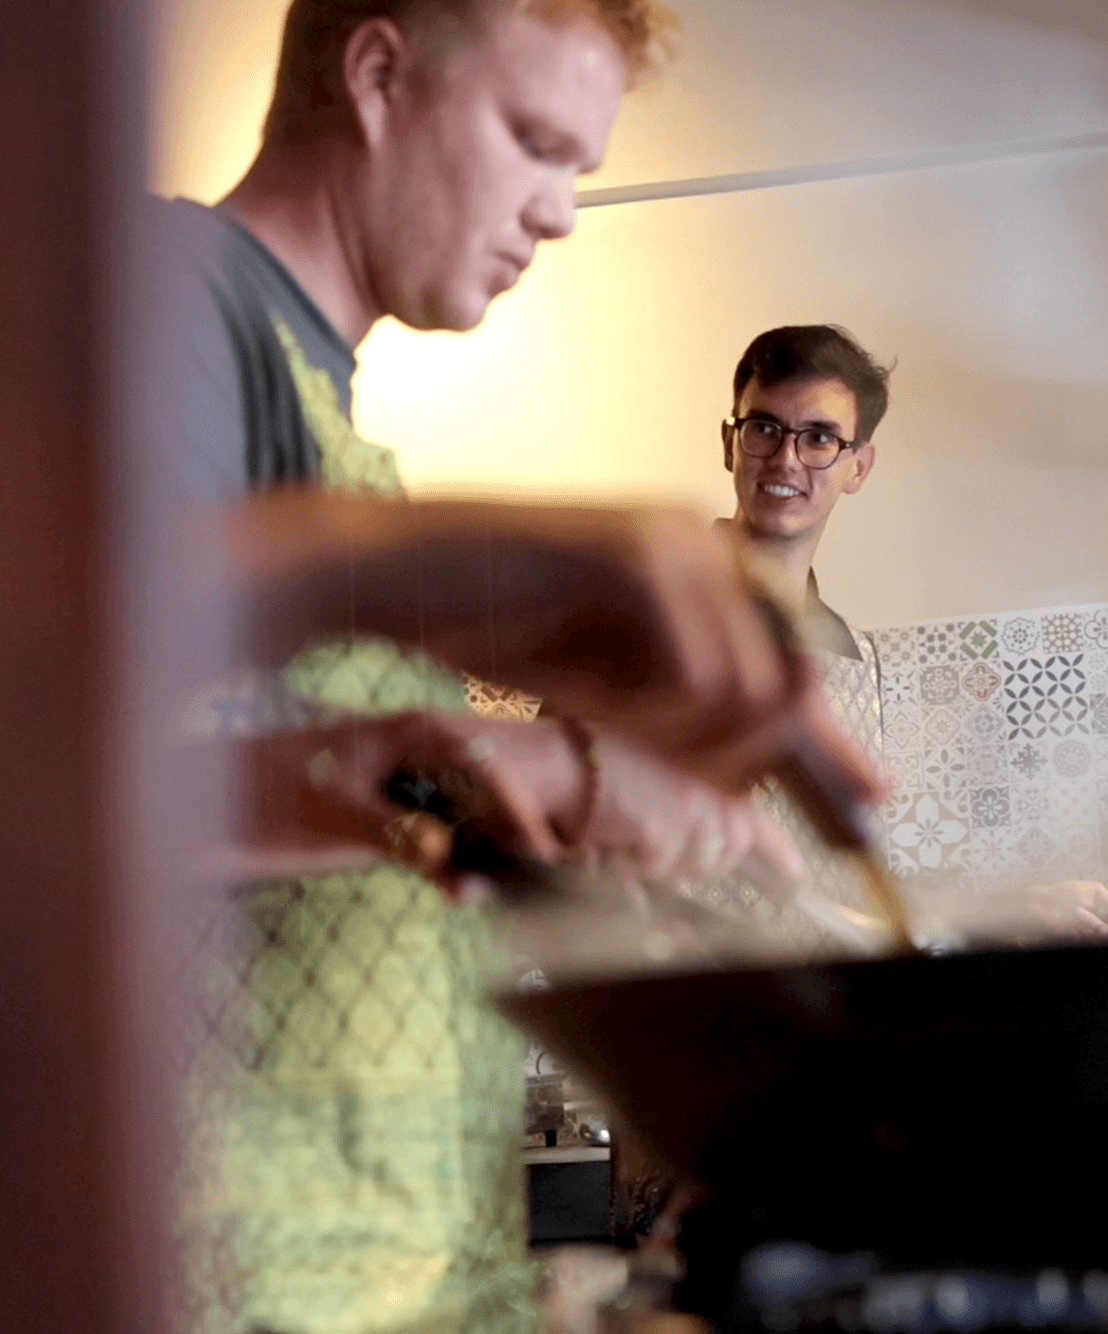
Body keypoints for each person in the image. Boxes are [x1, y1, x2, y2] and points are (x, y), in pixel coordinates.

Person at [144, 7, 873, 1334]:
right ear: (376, 75)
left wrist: (581, 839)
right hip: (247, 1279)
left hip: (403, 1274)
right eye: (537, 143)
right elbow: (54, 785)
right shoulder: (176, 302)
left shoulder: (333, 415)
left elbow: (302, 810)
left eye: (581, 169)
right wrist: (556, 772)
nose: (560, 214)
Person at [713, 325, 1108, 940]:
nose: (785, 458)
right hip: (666, 1012)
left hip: (809, 1010)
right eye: (764, 429)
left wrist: (1015, 908)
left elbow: (840, 888)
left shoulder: (851, 657)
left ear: (858, 467)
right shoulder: (649, 617)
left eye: (818, 438)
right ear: (731, 443)